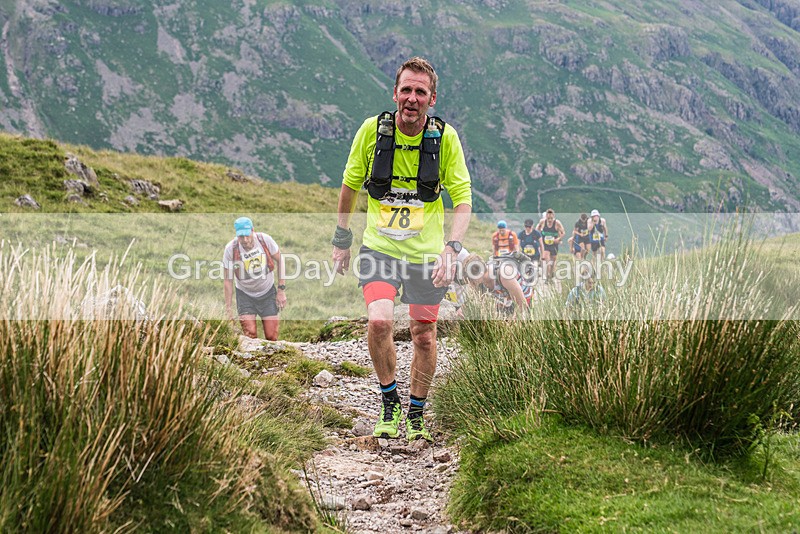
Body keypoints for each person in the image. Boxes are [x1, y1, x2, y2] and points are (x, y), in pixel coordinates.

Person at [330, 57, 472, 442]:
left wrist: (452, 249)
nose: (412, 98)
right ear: (395, 93)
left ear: (432, 99)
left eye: (420, 92)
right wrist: (342, 239)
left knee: (424, 334)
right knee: (379, 321)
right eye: (406, 90)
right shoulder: (372, 132)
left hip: (426, 255)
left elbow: (462, 199)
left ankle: (417, 413)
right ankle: (389, 402)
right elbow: (350, 185)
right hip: (380, 249)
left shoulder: (445, 140)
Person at [223, 217, 286, 340]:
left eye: (247, 235)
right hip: (245, 295)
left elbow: (280, 260)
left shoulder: (264, 240)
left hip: (267, 292)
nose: (245, 240)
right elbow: (227, 280)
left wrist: (281, 290)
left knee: (271, 335)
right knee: (250, 334)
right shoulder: (231, 249)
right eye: (241, 237)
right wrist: (228, 309)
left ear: (253, 230)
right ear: (237, 235)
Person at [462, 253, 532, 314]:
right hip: (504, 296)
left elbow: (522, 306)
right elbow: (480, 306)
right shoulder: (480, 282)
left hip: (523, 294)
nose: (470, 283)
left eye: (470, 280)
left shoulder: (504, 276)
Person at [536, 209, 565, 282]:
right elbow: (537, 229)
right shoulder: (542, 222)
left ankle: (551, 274)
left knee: (553, 261)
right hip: (545, 244)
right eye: (548, 218)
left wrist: (558, 239)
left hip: (554, 244)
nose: (550, 220)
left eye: (551, 218)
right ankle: (548, 277)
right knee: (547, 260)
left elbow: (563, 232)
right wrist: (538, 236)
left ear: (554, 217)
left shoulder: (557, 223)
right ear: (546, 217)